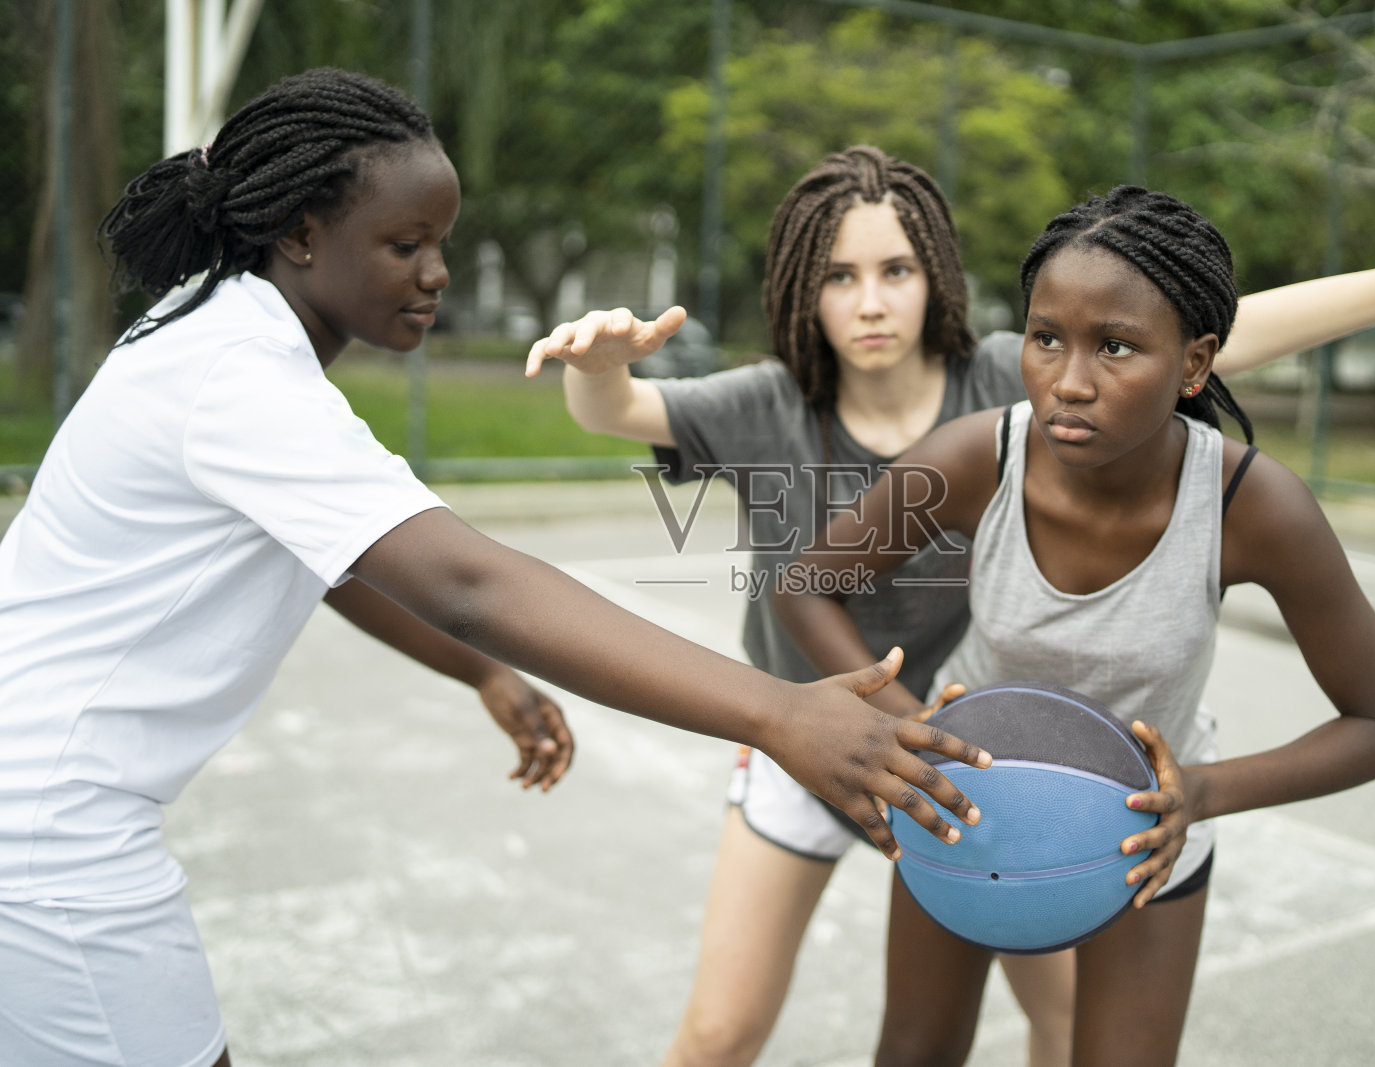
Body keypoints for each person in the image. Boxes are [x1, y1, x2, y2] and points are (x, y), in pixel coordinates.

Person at [0, 74, 992, 1067]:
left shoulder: (217, 329)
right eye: (405, 244)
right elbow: (468, 583)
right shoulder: (241, 378)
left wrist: (482, 671)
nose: (437, 272)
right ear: (300, 234)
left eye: (441, 241)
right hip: (49, 830)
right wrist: (777, 712)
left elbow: (335, 560)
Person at [527, 147, 1375, 1067]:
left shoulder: (1194, 474)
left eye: (895, 269)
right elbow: (664, 448)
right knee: (813, 1038)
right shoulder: (911, 430)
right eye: (840, 274)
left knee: (1080, 1033)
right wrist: (899, 721)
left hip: (1117, 813)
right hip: (919, 765)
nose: (1071, 379)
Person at [770, 185, 1375, 1066]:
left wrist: (1202, 791)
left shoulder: (1250, 505)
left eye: (1115, 346)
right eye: (1046, 338)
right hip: (968, 805)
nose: (1069, 381)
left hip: (1148, 830)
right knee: (916, 1051)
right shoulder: (977, 458)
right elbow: (806, 585)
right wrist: (908, 727)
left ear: (1195, 363)